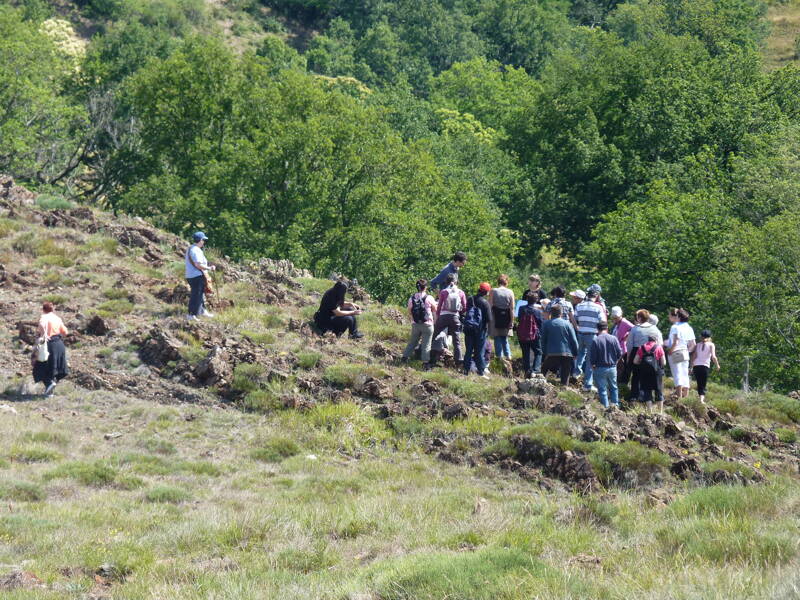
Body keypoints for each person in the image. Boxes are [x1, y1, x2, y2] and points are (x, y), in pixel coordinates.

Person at [429, 273, 467, 368]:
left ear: (446, 282)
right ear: (456, 281)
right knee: (456, 340)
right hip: (455, 317)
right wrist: (459, 312)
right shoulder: (461, 292)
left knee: (434, 335)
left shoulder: (443, 292)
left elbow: (439, 307)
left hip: (443, 316)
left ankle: (429, 356)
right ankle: (459, 362)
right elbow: (465, 307)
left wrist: (437, 317)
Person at [32, 302, 69, 396]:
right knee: (54, 368)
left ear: (43, 310)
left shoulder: (44, 317)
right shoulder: (57, 318)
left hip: (49, 344)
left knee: (40, 365)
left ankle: (49, 383)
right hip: (59, 344)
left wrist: (44, 334)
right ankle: (49, 392)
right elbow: (65, 332)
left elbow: (41, 324)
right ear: (53, 309)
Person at [625, 309, 663, 402]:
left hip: (637, 351)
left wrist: (628, 358)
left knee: (636, 376)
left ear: (639, 318)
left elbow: (629, 345)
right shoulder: (655, 329)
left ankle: (634, 397)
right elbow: (660, 344)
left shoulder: (635, 328)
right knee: (650, 375)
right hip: (652, 352)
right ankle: (648, 398)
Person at [574, 288, 605, 391]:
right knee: (590, 360)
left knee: (580, 354)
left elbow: (575, 318)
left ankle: (576, 372)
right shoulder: (598, 307)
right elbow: (602, 322)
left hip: (580, 333)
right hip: (592, 334)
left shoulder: (579, 306)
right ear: (595, 296)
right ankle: (588, 384)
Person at [540, 304, 579, 385]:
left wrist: (544, 353)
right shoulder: (568, 324)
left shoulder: (546, 324)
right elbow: (574, 340)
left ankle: (539, 385)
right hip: (567, 353)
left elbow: (543, 340)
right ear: (561, 313)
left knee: (543, 370)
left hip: (551, 353)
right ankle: (564, 389)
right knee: (565, 373)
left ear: (550, 313)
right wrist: (575, 353)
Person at [401, 279, 437, 367]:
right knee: (426, 344)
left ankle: (404, 358)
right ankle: (425, 363)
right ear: (425, 287)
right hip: (428, 324)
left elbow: (409, 311)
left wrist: (413, 319)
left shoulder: (412, 298)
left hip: (415, 324)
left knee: (413, 342)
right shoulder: (429, 298)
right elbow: (435, 309)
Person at [185, 231, 216, 321]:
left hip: (192, 275)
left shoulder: (190, 248)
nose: (204, 242)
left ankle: (202, 311)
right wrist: (209, 268)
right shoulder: (196, 250)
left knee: (200, 294)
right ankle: (191, 315)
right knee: (196, 295)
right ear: (200, 240)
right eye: (203, 240)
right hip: (196, 276)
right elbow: (197, 264)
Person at [463, 283, 492, 379]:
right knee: (479, 352)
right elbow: (489, 318)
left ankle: (465, 370)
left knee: (468, 350)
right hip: (480, 330)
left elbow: (466, 311)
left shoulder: (470, 299)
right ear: (487, 292)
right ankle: (481, 371)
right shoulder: (485, 303)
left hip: (468, 328)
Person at [590, 321, 622, 408]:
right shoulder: (614, 338)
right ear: (607, 328)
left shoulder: (596, 340)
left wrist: (593, 365)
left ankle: (606, 407)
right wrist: (615, 361)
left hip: (600, 367)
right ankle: (615, 407)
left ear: (597, 329)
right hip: (612, 367)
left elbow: (593, 356)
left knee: (602, 389)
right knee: (614, 387)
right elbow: (619, 353)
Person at [667, 308, 696, 399]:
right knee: (684, 374)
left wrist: (670, 350)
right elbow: (693, 344)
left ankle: (679, 395)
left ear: (679, 317)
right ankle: (686, 395)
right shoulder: (689, 327)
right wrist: (687, 350)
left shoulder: (675, 327)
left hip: (676, 351)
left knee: (677, 373)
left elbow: (675, 341)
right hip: (685, 351)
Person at [634, 333, 667, 413]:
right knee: (658, 391)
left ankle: (650, 412)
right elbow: (664, 362)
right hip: (656, 373)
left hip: (645, 373)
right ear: (656, 340)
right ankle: (660, 412)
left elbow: (635, 361)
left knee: (647, 390)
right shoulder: (658, 347)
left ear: (648, 339)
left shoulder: (641, 347)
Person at [489, 274, 515, 360]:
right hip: (507, 316)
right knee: (504, 337)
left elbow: (490, 305)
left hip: (495, 316)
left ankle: (499, 356)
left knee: (497, 337)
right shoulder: (510, 292)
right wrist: (512, 321)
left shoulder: (493, 291)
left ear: (498, 282)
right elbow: (512, 308)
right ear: (506, 282)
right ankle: (508, 355)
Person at [692, 329, 720, 404]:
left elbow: (694, 356)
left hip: (696, 366)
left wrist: (691, 366)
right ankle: (701, 400)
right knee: (703, 383)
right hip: (704, 366)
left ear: (701, 337)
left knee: (699, 383)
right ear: (709, 337)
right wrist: (717, 365)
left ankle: (700, 398)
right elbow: (713, 356)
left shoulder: (698, 345)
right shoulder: (711, 345)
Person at [517, 300, 543, 378]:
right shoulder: (537, 311)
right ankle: (535, 370)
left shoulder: (521, 308)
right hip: (534, 335)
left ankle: (527, 371)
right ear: (535, 300)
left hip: (522, 334)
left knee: (525, 353)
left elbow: (519, 319)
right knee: (538, 352)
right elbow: (540, 323)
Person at [610, 306, 633, 381]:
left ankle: (622, 383)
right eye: (614, 317)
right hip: (617, 348)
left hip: (623, 348)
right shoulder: (617, 323)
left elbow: (634, 329)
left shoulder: (624, 322)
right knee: (618, 367)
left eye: (616, 317)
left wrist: (627, 336)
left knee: (622, 367)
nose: (615, 319)